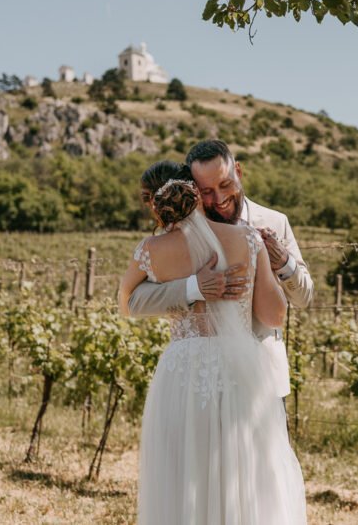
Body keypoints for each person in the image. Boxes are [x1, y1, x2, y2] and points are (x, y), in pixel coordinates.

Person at [118, 161, 307, 524]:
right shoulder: (248, 239)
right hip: (239, 368)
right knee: (246, 471)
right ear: (193, 191)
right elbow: (274, 316)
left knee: (185, 473)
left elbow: (126, 302)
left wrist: (187, 288)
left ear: (153, 203)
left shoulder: (150, 250)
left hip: (183, 372)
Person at [125, 140, 314, 397]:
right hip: (202, 379)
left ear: (238, 171)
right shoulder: (184, 234)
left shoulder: (276, 221)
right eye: (207, 191)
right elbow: (134, 300)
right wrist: (193, 287)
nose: (220, 198)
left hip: (265, 376)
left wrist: (282, 262)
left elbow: (304, 298)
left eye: (225, 184)